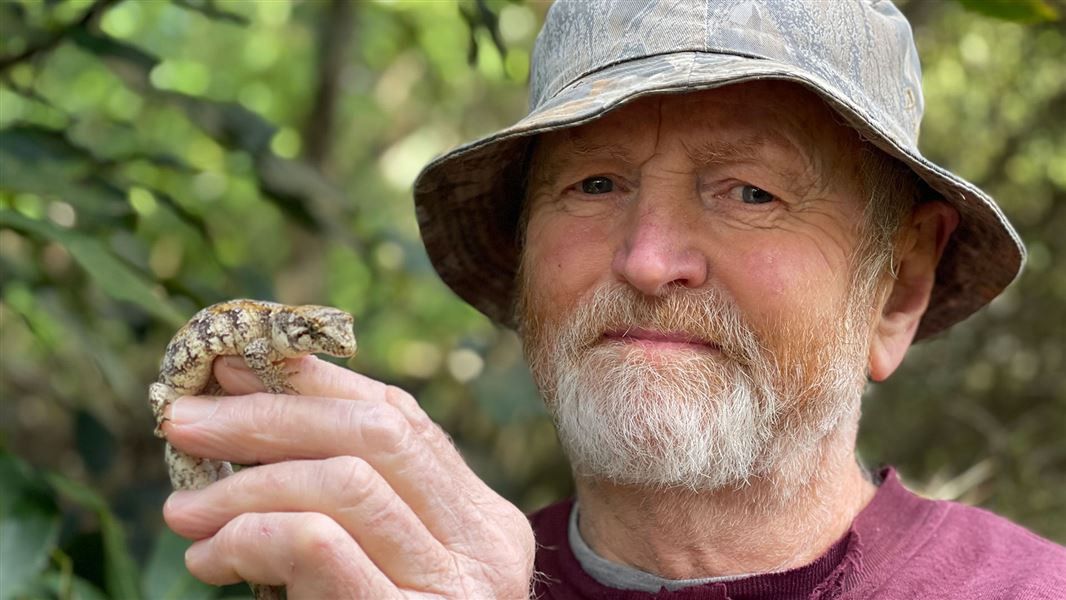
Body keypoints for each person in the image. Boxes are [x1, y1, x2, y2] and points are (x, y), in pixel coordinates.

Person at [160, 1, 1065, 598]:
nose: (647, 258)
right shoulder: (378, 571)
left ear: (897, 287)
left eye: (751, 192)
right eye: (593, 184)